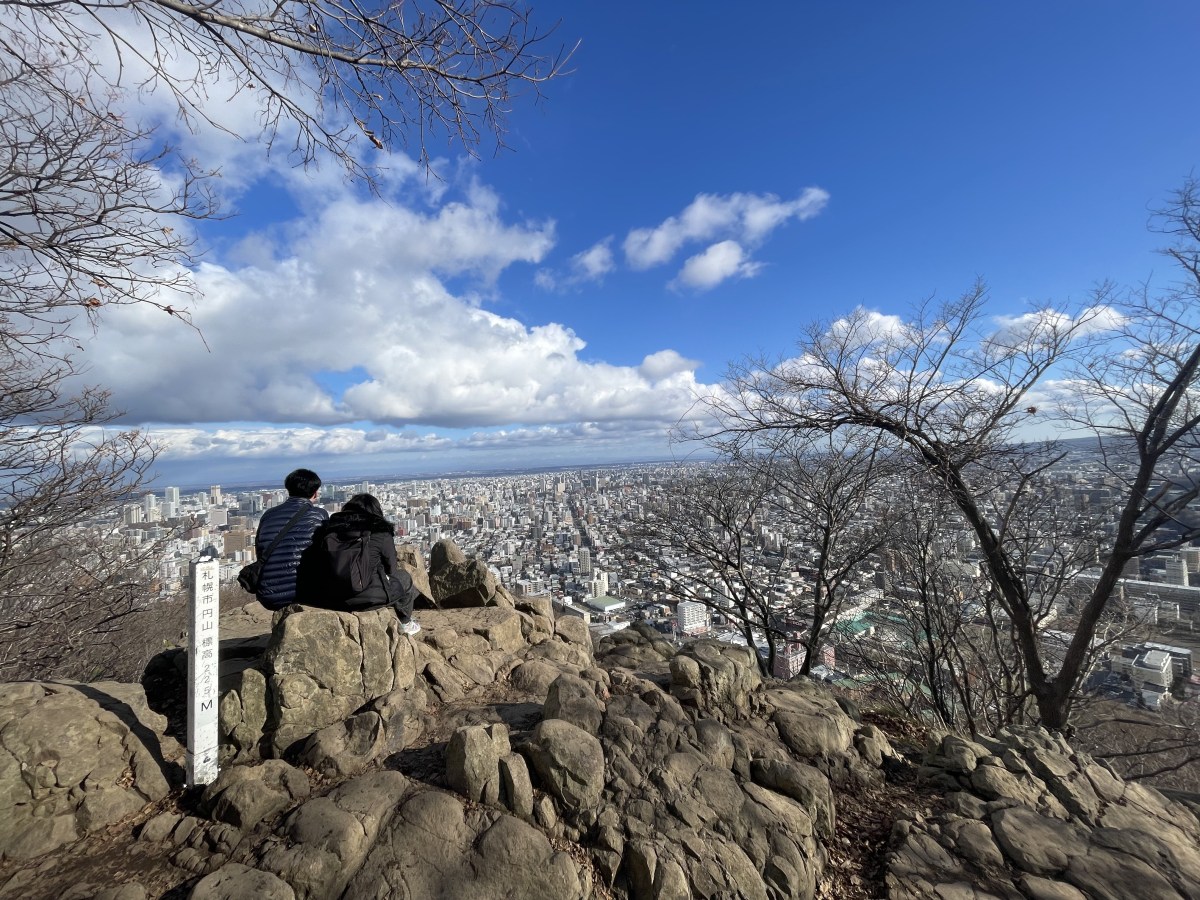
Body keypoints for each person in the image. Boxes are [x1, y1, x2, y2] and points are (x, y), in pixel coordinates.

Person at [295, 493, 425, 635]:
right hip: (368, 597)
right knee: (405, 578)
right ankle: (405, 623)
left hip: (328, 597)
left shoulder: (328, 530)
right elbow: (392, 570)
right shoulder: (380, 532)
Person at [254, 468, 329, 610]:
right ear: (315, 493)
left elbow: (260, 550)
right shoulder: (319, 515)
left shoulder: (268, 515)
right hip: (306, 593)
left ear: (289, 490)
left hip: (268, 595)